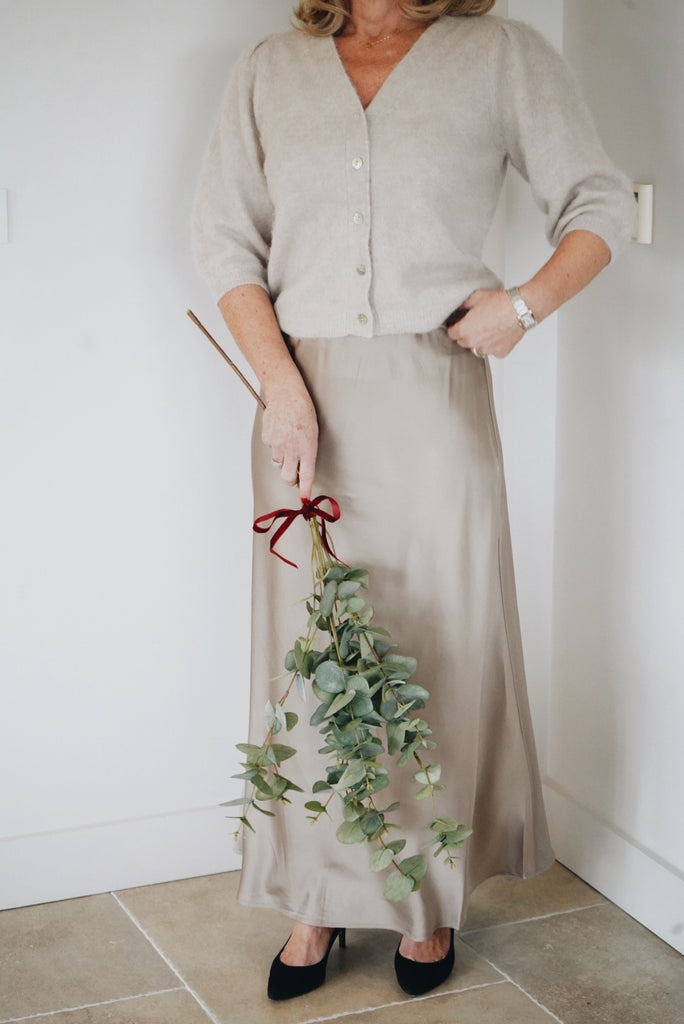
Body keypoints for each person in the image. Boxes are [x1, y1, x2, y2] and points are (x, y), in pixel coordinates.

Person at [192, 0, 635, 1002]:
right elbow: (224, 240)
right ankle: (317, 895)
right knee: (314, 651)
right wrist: (281, 386)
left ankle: (425, 897)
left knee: (437, 643)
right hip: (303, 399)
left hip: (435, 394)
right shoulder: (269, 67)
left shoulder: (502, 54)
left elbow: (600, 202)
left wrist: (523, 307)